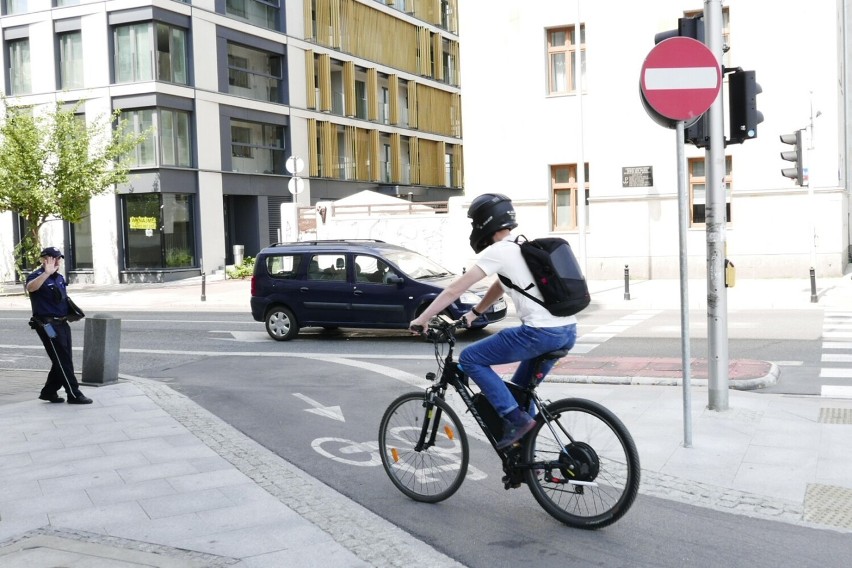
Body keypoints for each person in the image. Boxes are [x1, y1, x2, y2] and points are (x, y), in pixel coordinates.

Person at [409, 194, 577, 449]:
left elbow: (455, 289)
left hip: (539, 334)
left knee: (470, 359)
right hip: (566, 330)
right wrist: (475, 313)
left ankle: (516, 421)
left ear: (484, 223)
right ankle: (525, 454)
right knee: (519, 392)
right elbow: (502, 284)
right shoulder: (519, 246)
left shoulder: (499, 251)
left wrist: (422, 318)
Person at [26, 246, 92, 405]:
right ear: (44, 259)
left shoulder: (60, 277)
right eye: (53, 258)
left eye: (59, 258)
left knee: (63, 359)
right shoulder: (37, 276)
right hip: (47, 326)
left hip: (62, 323)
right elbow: (30, 288)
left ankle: (49, 392)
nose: (57, 261)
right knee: (63, 360)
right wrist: (46, 273)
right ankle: (74, 394)